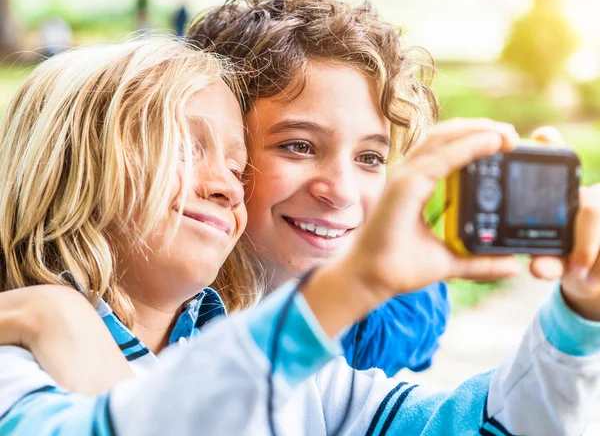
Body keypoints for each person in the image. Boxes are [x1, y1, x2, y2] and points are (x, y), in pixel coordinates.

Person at [0, 37, 599, 436]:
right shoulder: (15, 368)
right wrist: (352, 283)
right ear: (69, 164)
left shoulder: (308, 383)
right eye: (186, 146)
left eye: (238, 168)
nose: (227, 187)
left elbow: (473, 427)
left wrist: (576, 319)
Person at [188, 0, 450, 374]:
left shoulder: (399, 317)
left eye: (369, 157)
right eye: (299, 146)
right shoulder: (160, 314)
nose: (341, 192)